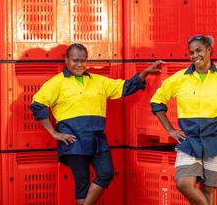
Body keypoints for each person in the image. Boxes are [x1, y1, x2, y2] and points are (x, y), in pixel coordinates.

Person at [29, 43, 163, 205]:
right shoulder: (56, 83)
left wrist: (145, 73)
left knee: (106, 172)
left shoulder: (98, 81)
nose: (79, 65)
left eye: (83, 61)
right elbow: (38, 104)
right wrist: (54, 133)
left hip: (97, 139)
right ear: (66, 59)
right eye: (75, 60)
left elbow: (125, 87)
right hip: (73, 140)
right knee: (82, 181)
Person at [150, 34, 217, 205]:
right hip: (189, 140)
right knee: (184, 183)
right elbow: (157, 102)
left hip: (216, 140)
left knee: (208, 189)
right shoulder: (179, 79)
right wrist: (170, 130)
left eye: (198, 50)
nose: (195, 56)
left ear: (209, 50)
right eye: (191, 52)